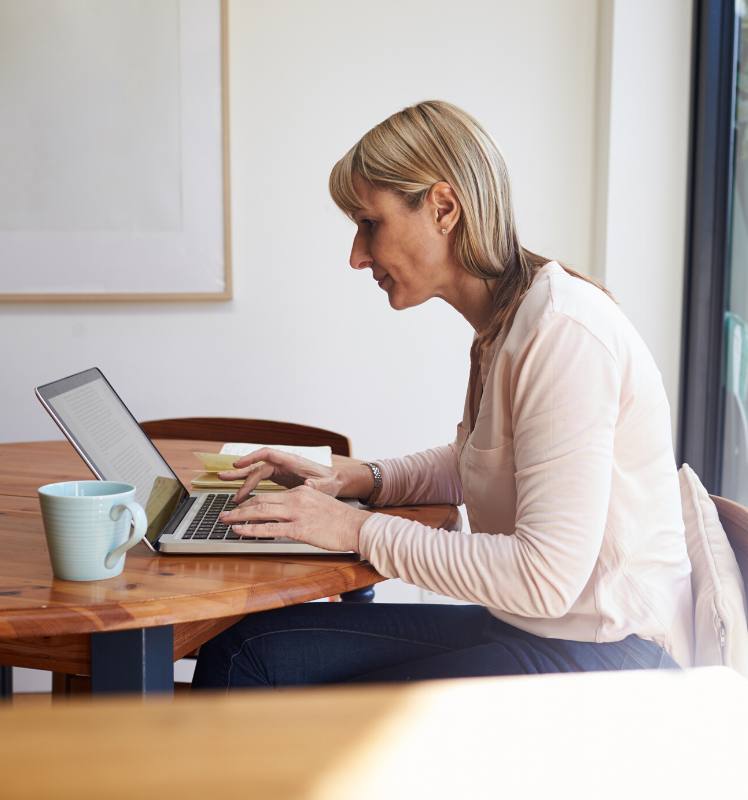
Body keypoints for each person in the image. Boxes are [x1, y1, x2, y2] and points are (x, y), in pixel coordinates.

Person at [191, 100, 692, 690]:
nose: (356, 256)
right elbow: (478, 463)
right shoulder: (504, 327)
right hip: (540, 631)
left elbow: (543, 577)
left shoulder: (562, 334)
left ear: (444, 208)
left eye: (368, 223)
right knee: (246, 647)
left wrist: (351, 529)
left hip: (609, 659)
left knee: (282, 688)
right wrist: (355, 478)